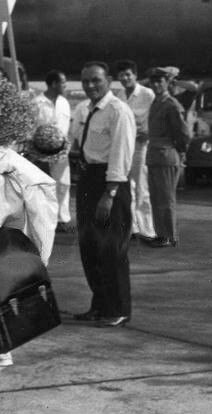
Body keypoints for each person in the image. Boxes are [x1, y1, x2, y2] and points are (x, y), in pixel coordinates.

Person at [68, 61, 135, 326]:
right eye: (85, 81)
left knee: (111, 248)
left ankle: (118, 309)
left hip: (110, 182)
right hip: (88, 179)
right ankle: (100, 305)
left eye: (96, 80)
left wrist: (110, 193)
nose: (90, 85)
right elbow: (75, 142)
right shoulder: (84, 109)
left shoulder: (118, 111)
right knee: (90, 247)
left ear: (108, 80)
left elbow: (121, 154)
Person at [143, 66, 191, 248]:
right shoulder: (156, 102)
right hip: (155, 156)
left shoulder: (171, 105)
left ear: (168, 82)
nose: (156, 85)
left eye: (159, 81)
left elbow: (184, 134)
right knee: (156, 198)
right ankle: (160, 234)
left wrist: (179, 151)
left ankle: (169, 236)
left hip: (166, 156)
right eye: (153, 81)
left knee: (166, 198)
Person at [115, 59, 155, 240]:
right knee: (126, 187)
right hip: (124, 146)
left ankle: (147, 229)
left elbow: (155, 117)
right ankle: (132, 228)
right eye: (121, 75)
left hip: (141, 146)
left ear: (135, 75)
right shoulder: (119, 95)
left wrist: (148, 132)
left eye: (128, 74)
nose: (125, 78)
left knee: (141, 187)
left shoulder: (147, 94)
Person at [30, 71, 73, 232]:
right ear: (54, 84)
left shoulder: (64, 102)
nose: (65, 86)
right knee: (44, 185)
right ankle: (45, 219)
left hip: (61, 151)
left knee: (63, 183)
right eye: (63, 82)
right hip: (41, 152)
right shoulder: (37, 103)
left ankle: (62, 219)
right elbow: (30, 127)